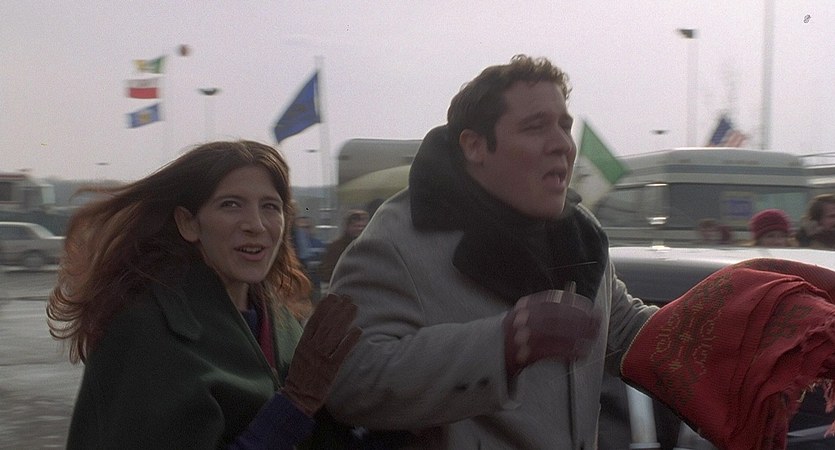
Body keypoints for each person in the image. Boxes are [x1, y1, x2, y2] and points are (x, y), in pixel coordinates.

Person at [322, 55, 835, 449]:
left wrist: (762, 316)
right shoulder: (398, 241)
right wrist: (502, 343)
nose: (562, 144)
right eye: (535, 127)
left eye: (564, 126)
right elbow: (348, 380)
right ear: (474, 146)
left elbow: (627, 333)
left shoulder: (578, 234)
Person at [46, 140, 361, 449]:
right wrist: (296, 403)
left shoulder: (280, 318)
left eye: (270, 206)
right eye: (230, 204)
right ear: (188, 223)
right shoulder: (144, 328)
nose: (256, 225)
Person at [316, 209, 369, 286]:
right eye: (356, 226)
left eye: (363, 226)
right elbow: (326, 272)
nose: (359, 229)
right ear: (348, 227)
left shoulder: (370, 247)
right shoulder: (336, 247)